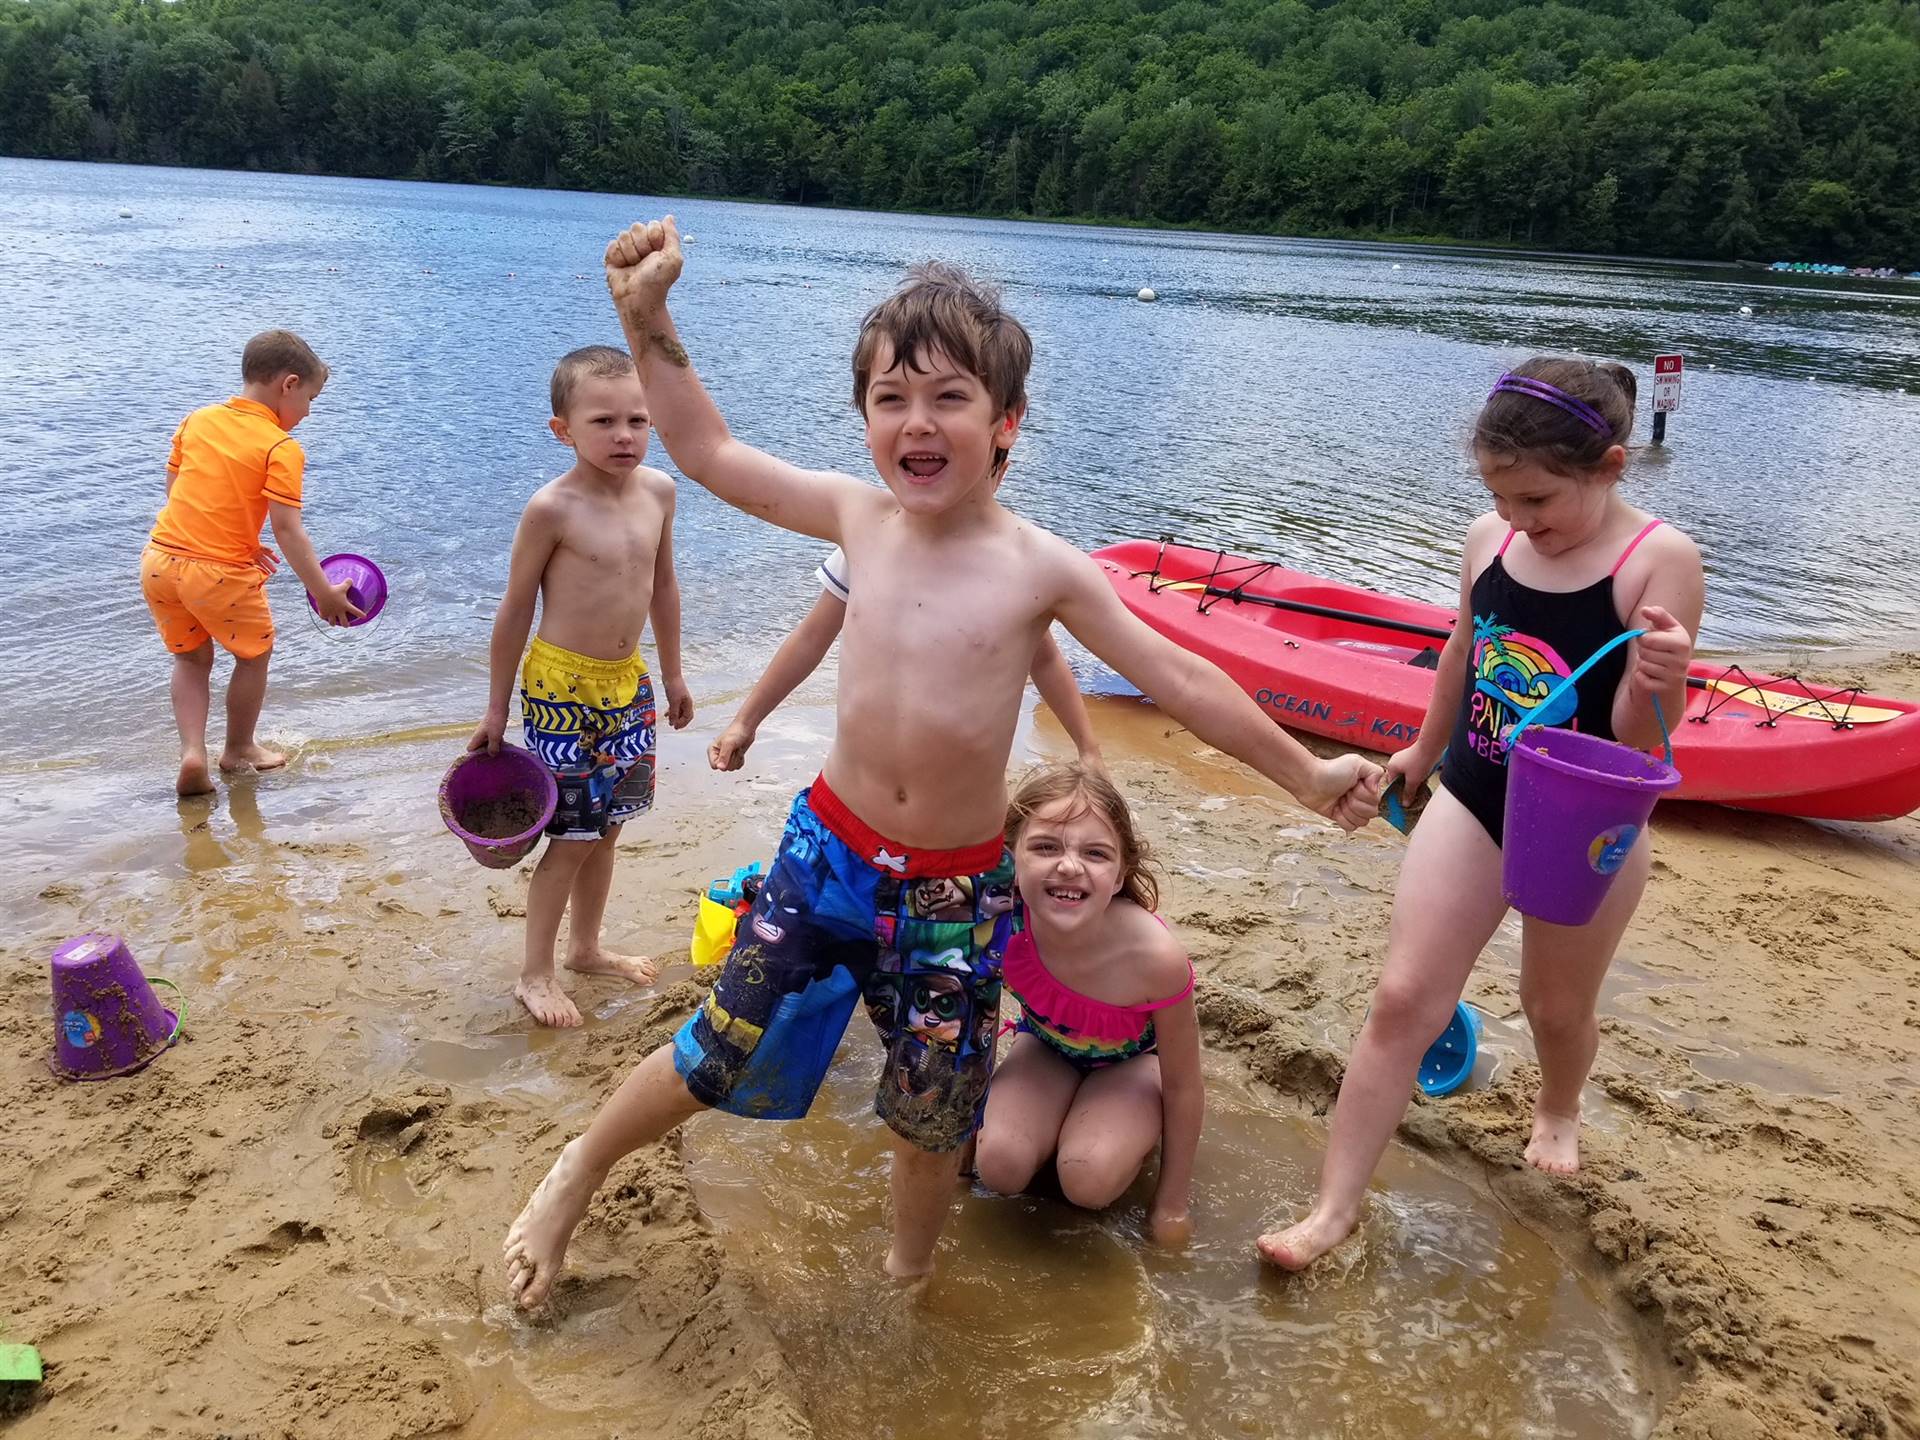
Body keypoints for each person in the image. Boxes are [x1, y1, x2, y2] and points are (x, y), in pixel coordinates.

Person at [502, 218, 1380, 1309]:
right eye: (890, 399)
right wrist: (649, 321)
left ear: (1007, 421)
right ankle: (577, 1174)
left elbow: (1184, 679)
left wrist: (1304, 775)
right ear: (866, 419)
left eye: (950, 397)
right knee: (716, 1050)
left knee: (935, 1113)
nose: (917, 422)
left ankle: (908, 1278)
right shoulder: (856, 520)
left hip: (959, 896)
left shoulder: (1041, 569)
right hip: (827, 855)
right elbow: (709, 452)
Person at [1258, 357, 1704, 1270]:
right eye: (1500, 498)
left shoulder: (1657, 560)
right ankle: (1334, 1210)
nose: (1517, 521)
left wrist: (1665, 681)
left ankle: (1558, 1108)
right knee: (1401, 998)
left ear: (1611, 466)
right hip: (1477, 786)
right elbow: (1467, 645)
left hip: (1588, 818)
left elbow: (1640, 746)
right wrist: (1423, 751)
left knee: (1553, 1004)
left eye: (1537, 501)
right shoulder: (1485, 540)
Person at [468, 345, 695, 1029]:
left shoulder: (659, 492)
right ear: (562, 429)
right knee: (571, 835)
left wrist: (676, 671)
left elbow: (663, 586)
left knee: (609, 829)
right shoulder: (553, 508)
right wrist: (497, 707)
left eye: (638, 420)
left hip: (628, 688)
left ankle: (586, 948)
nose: (624, 435)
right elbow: (513, 611)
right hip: (562, 695)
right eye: (603, 422)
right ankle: (534, 973)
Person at [974, 763, 1201, 1246]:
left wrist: (1171, 1205)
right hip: (1045, 1047)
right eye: (1045, 847)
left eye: (1095, 854)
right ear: (1011, 856)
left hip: (1133, 1066)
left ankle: (1116, 1134)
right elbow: (976, 1027)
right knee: (997, 1166)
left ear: (1120, 875)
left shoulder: (1155, 958)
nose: (1069, 866)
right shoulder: (998, 921)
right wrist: (953, 1148)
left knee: (1087, 1177)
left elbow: (1185, 1086)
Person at [140, 330, 362, 797]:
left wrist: (234, 537)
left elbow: (176, 489)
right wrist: (323, 591)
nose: (308, 412)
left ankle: (192, 753)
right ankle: (239, 748)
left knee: (190, 658)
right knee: (253, 655)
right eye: (311, 398)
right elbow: (287, 529)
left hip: (160, 561)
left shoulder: (197, 419)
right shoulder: (280, 446)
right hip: (219, 574)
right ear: (289, 384)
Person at [708, 545, 1105, 774]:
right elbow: (811, 638)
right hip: (853, 794)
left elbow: (1047, 661)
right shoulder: (867, 545)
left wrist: (1089, 750)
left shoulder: (1014, 567)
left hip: (955, 804)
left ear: (1001, 471)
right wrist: (745, 721)